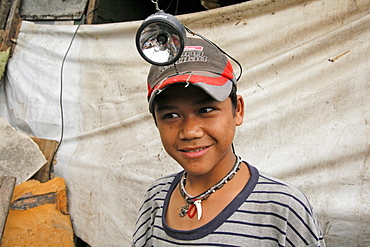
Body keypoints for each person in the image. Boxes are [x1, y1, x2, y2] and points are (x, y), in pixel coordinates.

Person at [132, 37, 325, 246]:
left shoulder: (282, 208)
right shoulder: (157, 196)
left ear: (238, 110)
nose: (190, 132)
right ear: (155, 121)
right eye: (171, 115)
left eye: (206, 110)